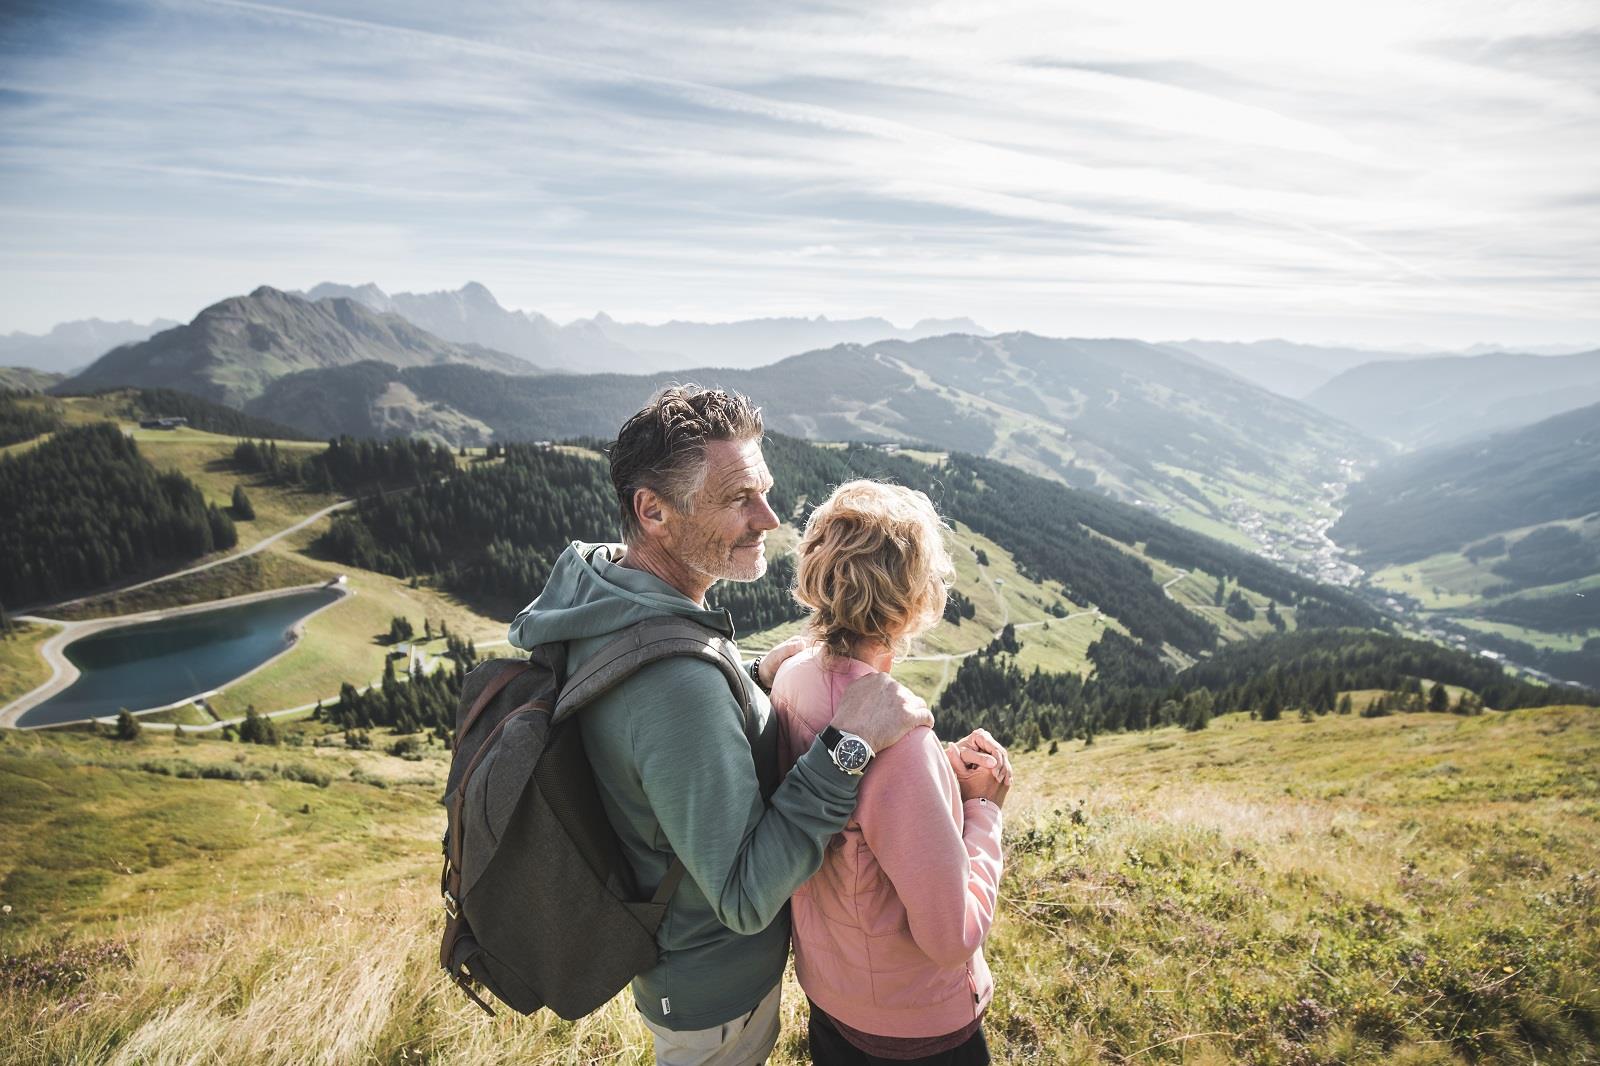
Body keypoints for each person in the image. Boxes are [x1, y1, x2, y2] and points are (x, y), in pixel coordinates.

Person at [507, 385, 941, 1066]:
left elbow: (655, 711)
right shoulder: (676, 688)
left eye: (764, 490)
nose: (769, 517)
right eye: (739, 498)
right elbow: (742, 896)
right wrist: (847, 748)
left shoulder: (603, 586)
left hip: (681, 971)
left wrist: (747, 674)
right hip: (714, 997)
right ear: (653, 511)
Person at [771, 480, 1012, 1066]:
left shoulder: (791, 680)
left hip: (832, 995)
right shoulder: (901, 744)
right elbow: (950, 935)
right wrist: (982, 809)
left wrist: (938, 785)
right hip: (915, 1026)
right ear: (911, 603)